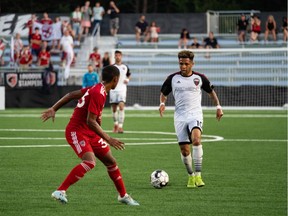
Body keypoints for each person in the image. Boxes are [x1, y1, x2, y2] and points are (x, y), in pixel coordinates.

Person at [41, 65, 139, 206]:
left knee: (111, 162)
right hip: (77, 131)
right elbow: (90, 121)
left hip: (90, 132)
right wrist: (109, 138)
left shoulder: (98, 88)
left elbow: (71, 95)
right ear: (116, 79)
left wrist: (54, 108)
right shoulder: (98, 93)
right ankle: (60, 190)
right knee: (90, 162)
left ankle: (123, 195)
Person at [159, 50, 223, 188]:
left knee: (196, 139)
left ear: (192, 63)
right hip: (180, 116)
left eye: (186, 64)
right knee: (184, 150)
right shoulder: (172, 78)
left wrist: (218, 106)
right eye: (181, 63)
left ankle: (199, 175)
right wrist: (162, 103)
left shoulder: (200, 78)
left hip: (195, 114)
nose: (183, 66)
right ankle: (191, 176)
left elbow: (211, 92)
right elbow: (163, 93)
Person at [110, 50, 130, 133]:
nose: (117, 57)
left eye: (119, 55)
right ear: (114, 56)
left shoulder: (125, 67)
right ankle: (115, 124)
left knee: (121, 107)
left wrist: (127, 80)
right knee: (114, 109)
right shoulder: (111, 67)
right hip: (113, 89)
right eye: (116, 55)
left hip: (122, 89)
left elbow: (129, 75)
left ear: (121, 56)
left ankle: (121, 126)